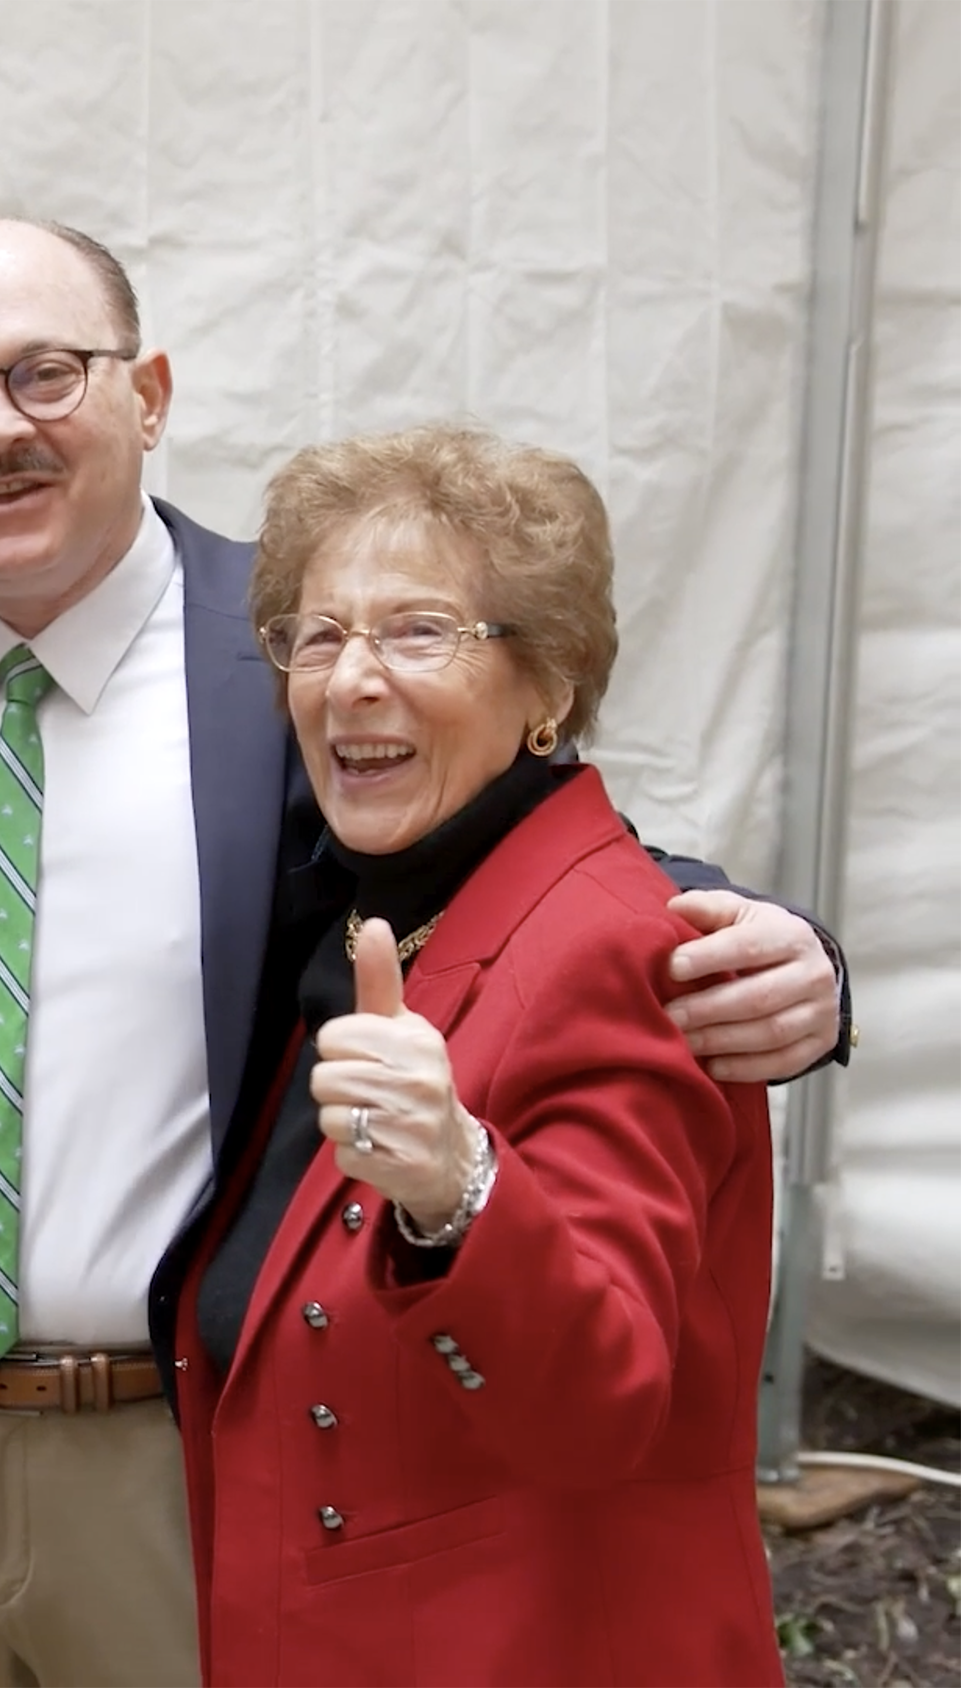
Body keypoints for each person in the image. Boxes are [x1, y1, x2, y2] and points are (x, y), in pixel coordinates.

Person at [0, 219, 849, 1685]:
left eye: (46, 373)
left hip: (166, 1447)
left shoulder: (288, 658)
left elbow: (526, 843)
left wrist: (795, 953)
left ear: (147, 394)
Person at [163, 422, 782, 1681]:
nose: (351, 679)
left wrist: (459, 1188)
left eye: (418, 630)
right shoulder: (352, 910)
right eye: (318, 634)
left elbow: (606, 1393)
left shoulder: (614, 948)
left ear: (548, 685)